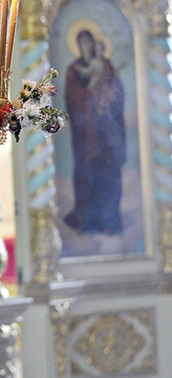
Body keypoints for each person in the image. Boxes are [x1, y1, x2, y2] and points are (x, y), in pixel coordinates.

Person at [63, 28, 126, 234]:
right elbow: (71, 99)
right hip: (85, 135)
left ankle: (109, 221)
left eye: (89, 42)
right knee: (86, 175)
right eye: (83, 43)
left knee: (108, 174)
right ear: (78, 47)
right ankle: (85, 220)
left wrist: (108, 95)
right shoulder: (73, 70)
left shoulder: (105, 65)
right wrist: (88, 90)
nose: (87, 47)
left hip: (106, 133)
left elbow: (117, 91)